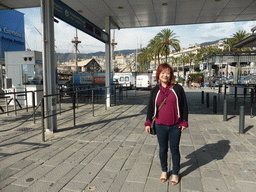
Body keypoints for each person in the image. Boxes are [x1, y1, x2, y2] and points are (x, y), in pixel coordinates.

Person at [145, 63, 188, 185]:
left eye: (167, 73)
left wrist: (184, 121)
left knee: (174, 150)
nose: (165, 75)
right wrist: (148, 122)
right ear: (158, 75)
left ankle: (175, 172)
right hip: (160, 126)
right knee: (163, 149)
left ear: (171, 75)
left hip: (175, 126)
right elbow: (150, 107)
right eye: (162, 73)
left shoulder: (178, 88)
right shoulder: (155, 90)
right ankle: (164, 170)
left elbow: (184, 105)